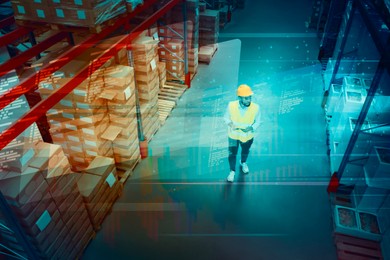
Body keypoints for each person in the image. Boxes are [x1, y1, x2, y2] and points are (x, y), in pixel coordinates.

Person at [224, 84, 261, 182]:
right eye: (246, 98)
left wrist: (251, 128)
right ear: (240, 98)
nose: (249, 100)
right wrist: (230, 124)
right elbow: (226, 117)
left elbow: (258, 121)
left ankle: (243, 162)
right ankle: (232, 171)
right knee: (232, 153)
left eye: (250, 97)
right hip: (233, 136)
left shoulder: (256, 107)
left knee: (245, 151)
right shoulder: (231, 105)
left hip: (247, 136)